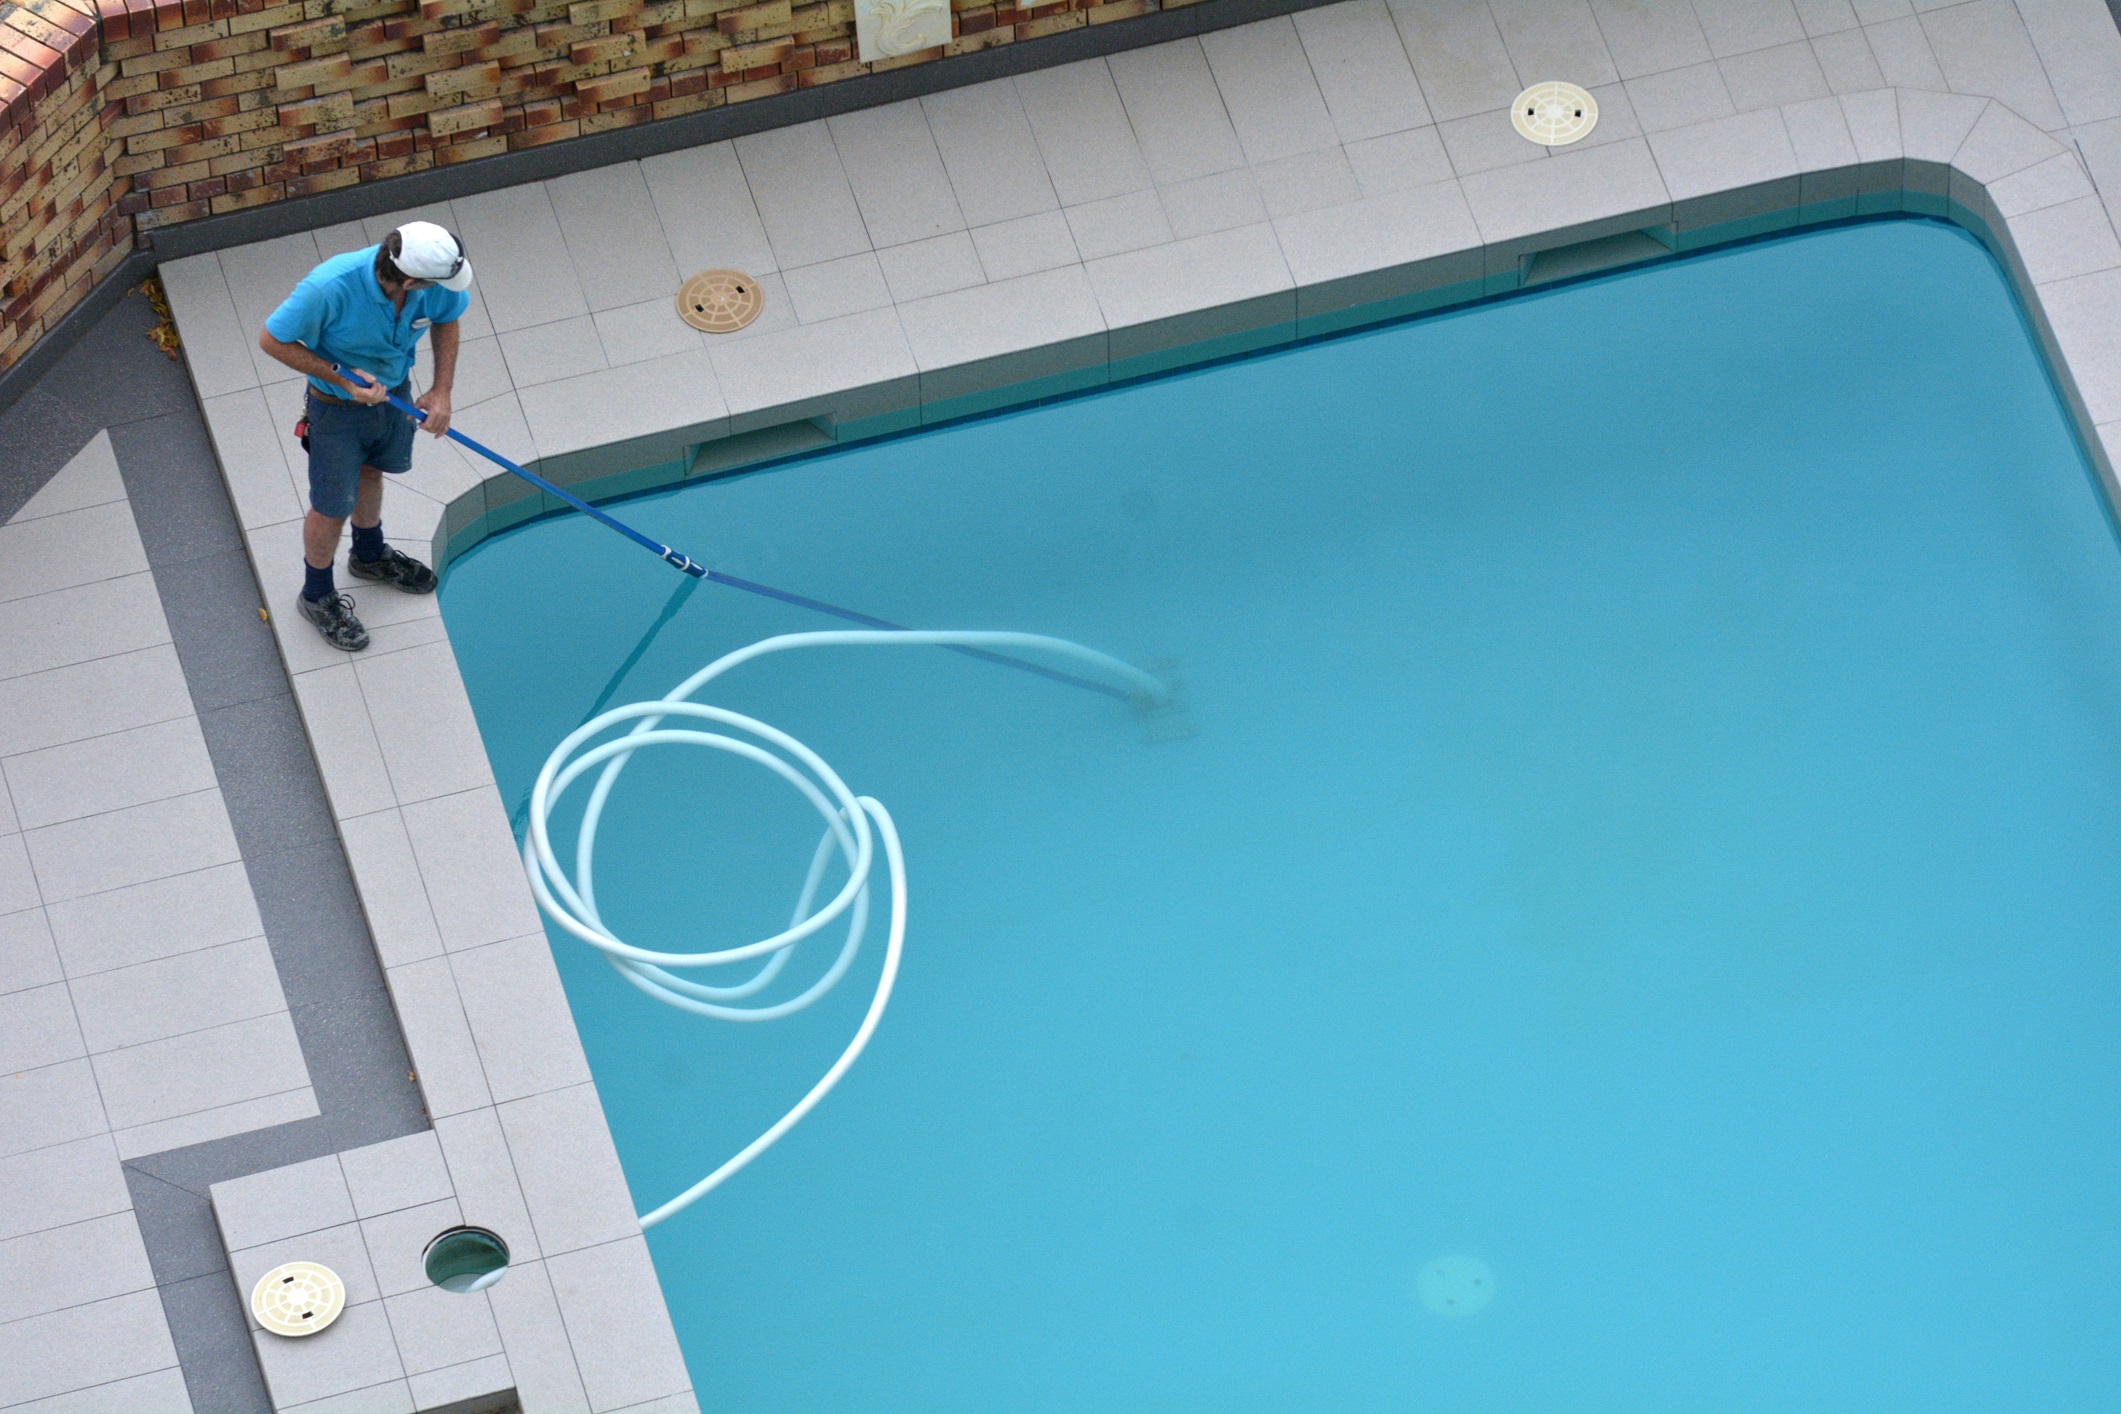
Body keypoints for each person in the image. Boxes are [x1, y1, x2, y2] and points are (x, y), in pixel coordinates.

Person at [257, 222, 473, 650]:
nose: (444, 290)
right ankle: (316, 594)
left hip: (394, 397)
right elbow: (272, 340)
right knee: (331, 506)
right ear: (409, 280)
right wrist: (340, 376)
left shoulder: (431, 285)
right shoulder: (328, 287)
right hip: (336, 411)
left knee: (371, 472)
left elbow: (448, 319)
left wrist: (441, 390)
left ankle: (369, 556)